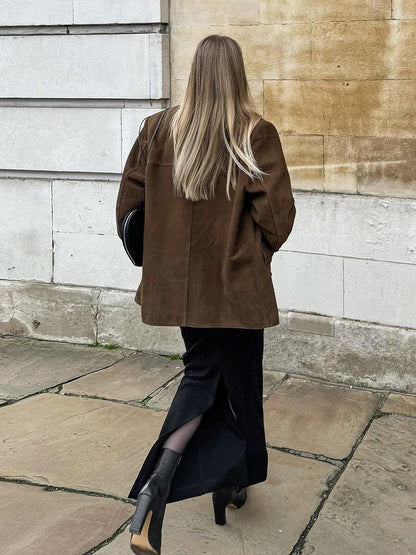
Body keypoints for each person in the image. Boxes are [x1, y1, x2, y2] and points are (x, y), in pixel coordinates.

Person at [115, 34, 296, 555]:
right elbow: (277, 220)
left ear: (195, 72)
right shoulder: (253, 133)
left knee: (226, 380)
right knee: (211, 380)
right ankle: (155, 491)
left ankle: (229, 483)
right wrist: (251, 250)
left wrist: (164, 260)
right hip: (235, 289)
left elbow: (130, 206)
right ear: (236, 75)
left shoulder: (158, 130)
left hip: (182, 289)